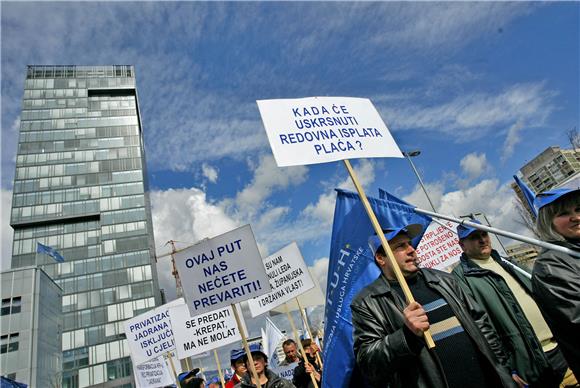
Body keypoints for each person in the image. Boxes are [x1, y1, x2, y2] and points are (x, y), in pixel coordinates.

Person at [351, 224, 516, 388]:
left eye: (409, 243)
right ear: (381, 258)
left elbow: (482, 325)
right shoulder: (368, 302)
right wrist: (406, 336)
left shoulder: (445, 280)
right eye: (400, 246)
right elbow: (369, 365)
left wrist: (505, 371)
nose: (411, 250)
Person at [452, 220, 568, 387]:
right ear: (462, 245)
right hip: (528, 365)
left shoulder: (507, 262)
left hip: (560, 350)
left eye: (484, 234)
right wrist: (506, 369)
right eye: (474, 237)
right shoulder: (462, 279)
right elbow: (481, 328)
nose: (482, 240)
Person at [532, 187, 580, 381]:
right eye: (564, 213)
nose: (575, 217)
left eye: (578, 209)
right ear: (548, 223)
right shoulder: (550, 266)